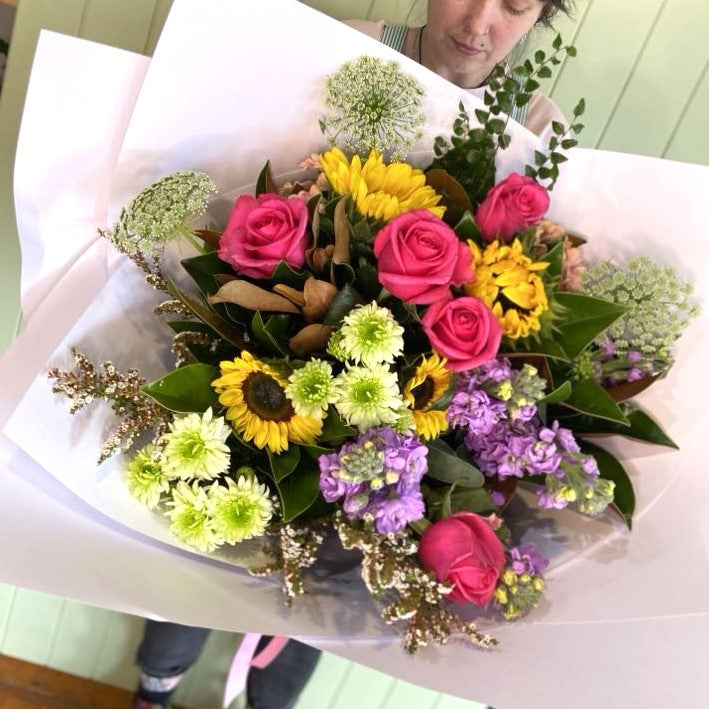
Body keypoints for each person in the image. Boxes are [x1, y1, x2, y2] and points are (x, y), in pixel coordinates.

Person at [132, 2, 573, 708]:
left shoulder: (538, 129)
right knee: (198, 548)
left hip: (400, 430)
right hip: (264, 368)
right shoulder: (335, 52)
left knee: (330, 586)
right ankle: (155, 684)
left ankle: (265, 700)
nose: (480, 20)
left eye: (516, 4)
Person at [348, 0, 573, 139]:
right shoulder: (344, 47)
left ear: (538, 17)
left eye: (515, 6)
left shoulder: (543, 132)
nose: (477, 27)